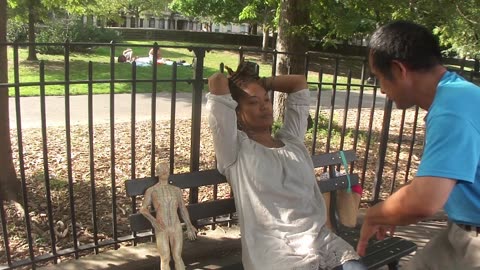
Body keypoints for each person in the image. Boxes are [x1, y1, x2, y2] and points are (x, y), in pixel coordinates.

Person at [206, 61, 366, 270]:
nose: (264, 106)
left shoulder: (292, 140)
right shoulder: (234, 150)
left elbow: (299, 83)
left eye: (267, 99)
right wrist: (239, 82)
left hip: (321, 242)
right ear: (236, 112)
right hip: (276, 252)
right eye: (253, 102)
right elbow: (216, 81)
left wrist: (261, 82)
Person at [357, 21, 480, 270]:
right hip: (459, 231)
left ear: (399, 69)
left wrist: (375, 214)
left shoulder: (451, 111)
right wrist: (394, 205)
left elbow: (424, 201)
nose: (381, 89)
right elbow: (436, 181)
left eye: (379, 77)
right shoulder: (457, 95)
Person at [140, 163, 197, 270]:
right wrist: (154, 221)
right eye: (162, 169)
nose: (165, 171)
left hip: (176, 226)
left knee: (177, 256)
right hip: (162, 227)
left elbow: (182, 208)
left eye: (167, 169)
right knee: (165, 258)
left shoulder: (176, 190)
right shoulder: (152, 190)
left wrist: (189, 225)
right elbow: (143, 209)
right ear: (157, 173)